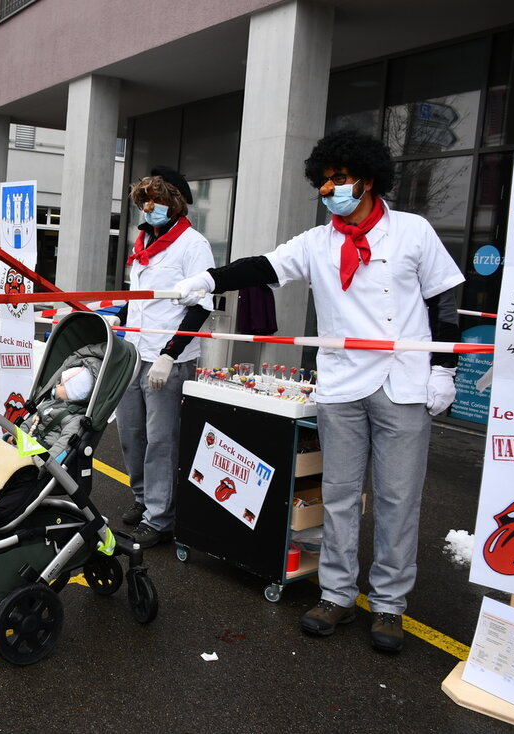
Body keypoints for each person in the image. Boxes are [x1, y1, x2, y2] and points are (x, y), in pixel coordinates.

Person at [172, 130, 463, 652]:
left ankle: (391, 606)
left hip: (404, 380)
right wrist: (210, 279)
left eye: (340, 179)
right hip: (343, 382)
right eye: (325, 182)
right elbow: (266, 266)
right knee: (339, 496)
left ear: (368, 180)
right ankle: (336, 595)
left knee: (399, 499)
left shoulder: (414, 233)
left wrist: (444, 370)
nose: (331, 190)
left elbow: (444, 301)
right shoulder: (317, 242)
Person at [114, 169, 215, 548]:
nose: (149, 207)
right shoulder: (143, 243)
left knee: (161, 441)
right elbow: (139, 299)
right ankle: (143, 498)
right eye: (143, 201)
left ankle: (160, 517)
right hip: (134, 353)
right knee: (131, 434)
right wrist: (117, 318)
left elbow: (202, 305)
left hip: (168, 360)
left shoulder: (193, 244)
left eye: (156, 200)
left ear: (176, 203)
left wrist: (170, 355)